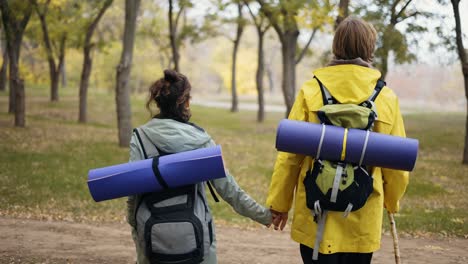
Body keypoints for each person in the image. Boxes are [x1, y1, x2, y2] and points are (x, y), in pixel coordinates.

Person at [267, 17, 409, 264]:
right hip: (362, 217)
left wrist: (279, 203)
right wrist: (392, 201)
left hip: (315, 217)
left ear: (336, 46)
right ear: (369, 48)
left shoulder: (310, 91)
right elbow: (395, 163)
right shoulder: (386, 98)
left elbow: (290, 156)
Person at [127, 69, 272, 264]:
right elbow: (229, 190)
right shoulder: (201, 141)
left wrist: (135, 226)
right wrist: (265, 216)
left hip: (152, 239)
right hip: (196, 240)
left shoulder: (141, 138)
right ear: (185, 102)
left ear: (158, 103)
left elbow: (132, 191)